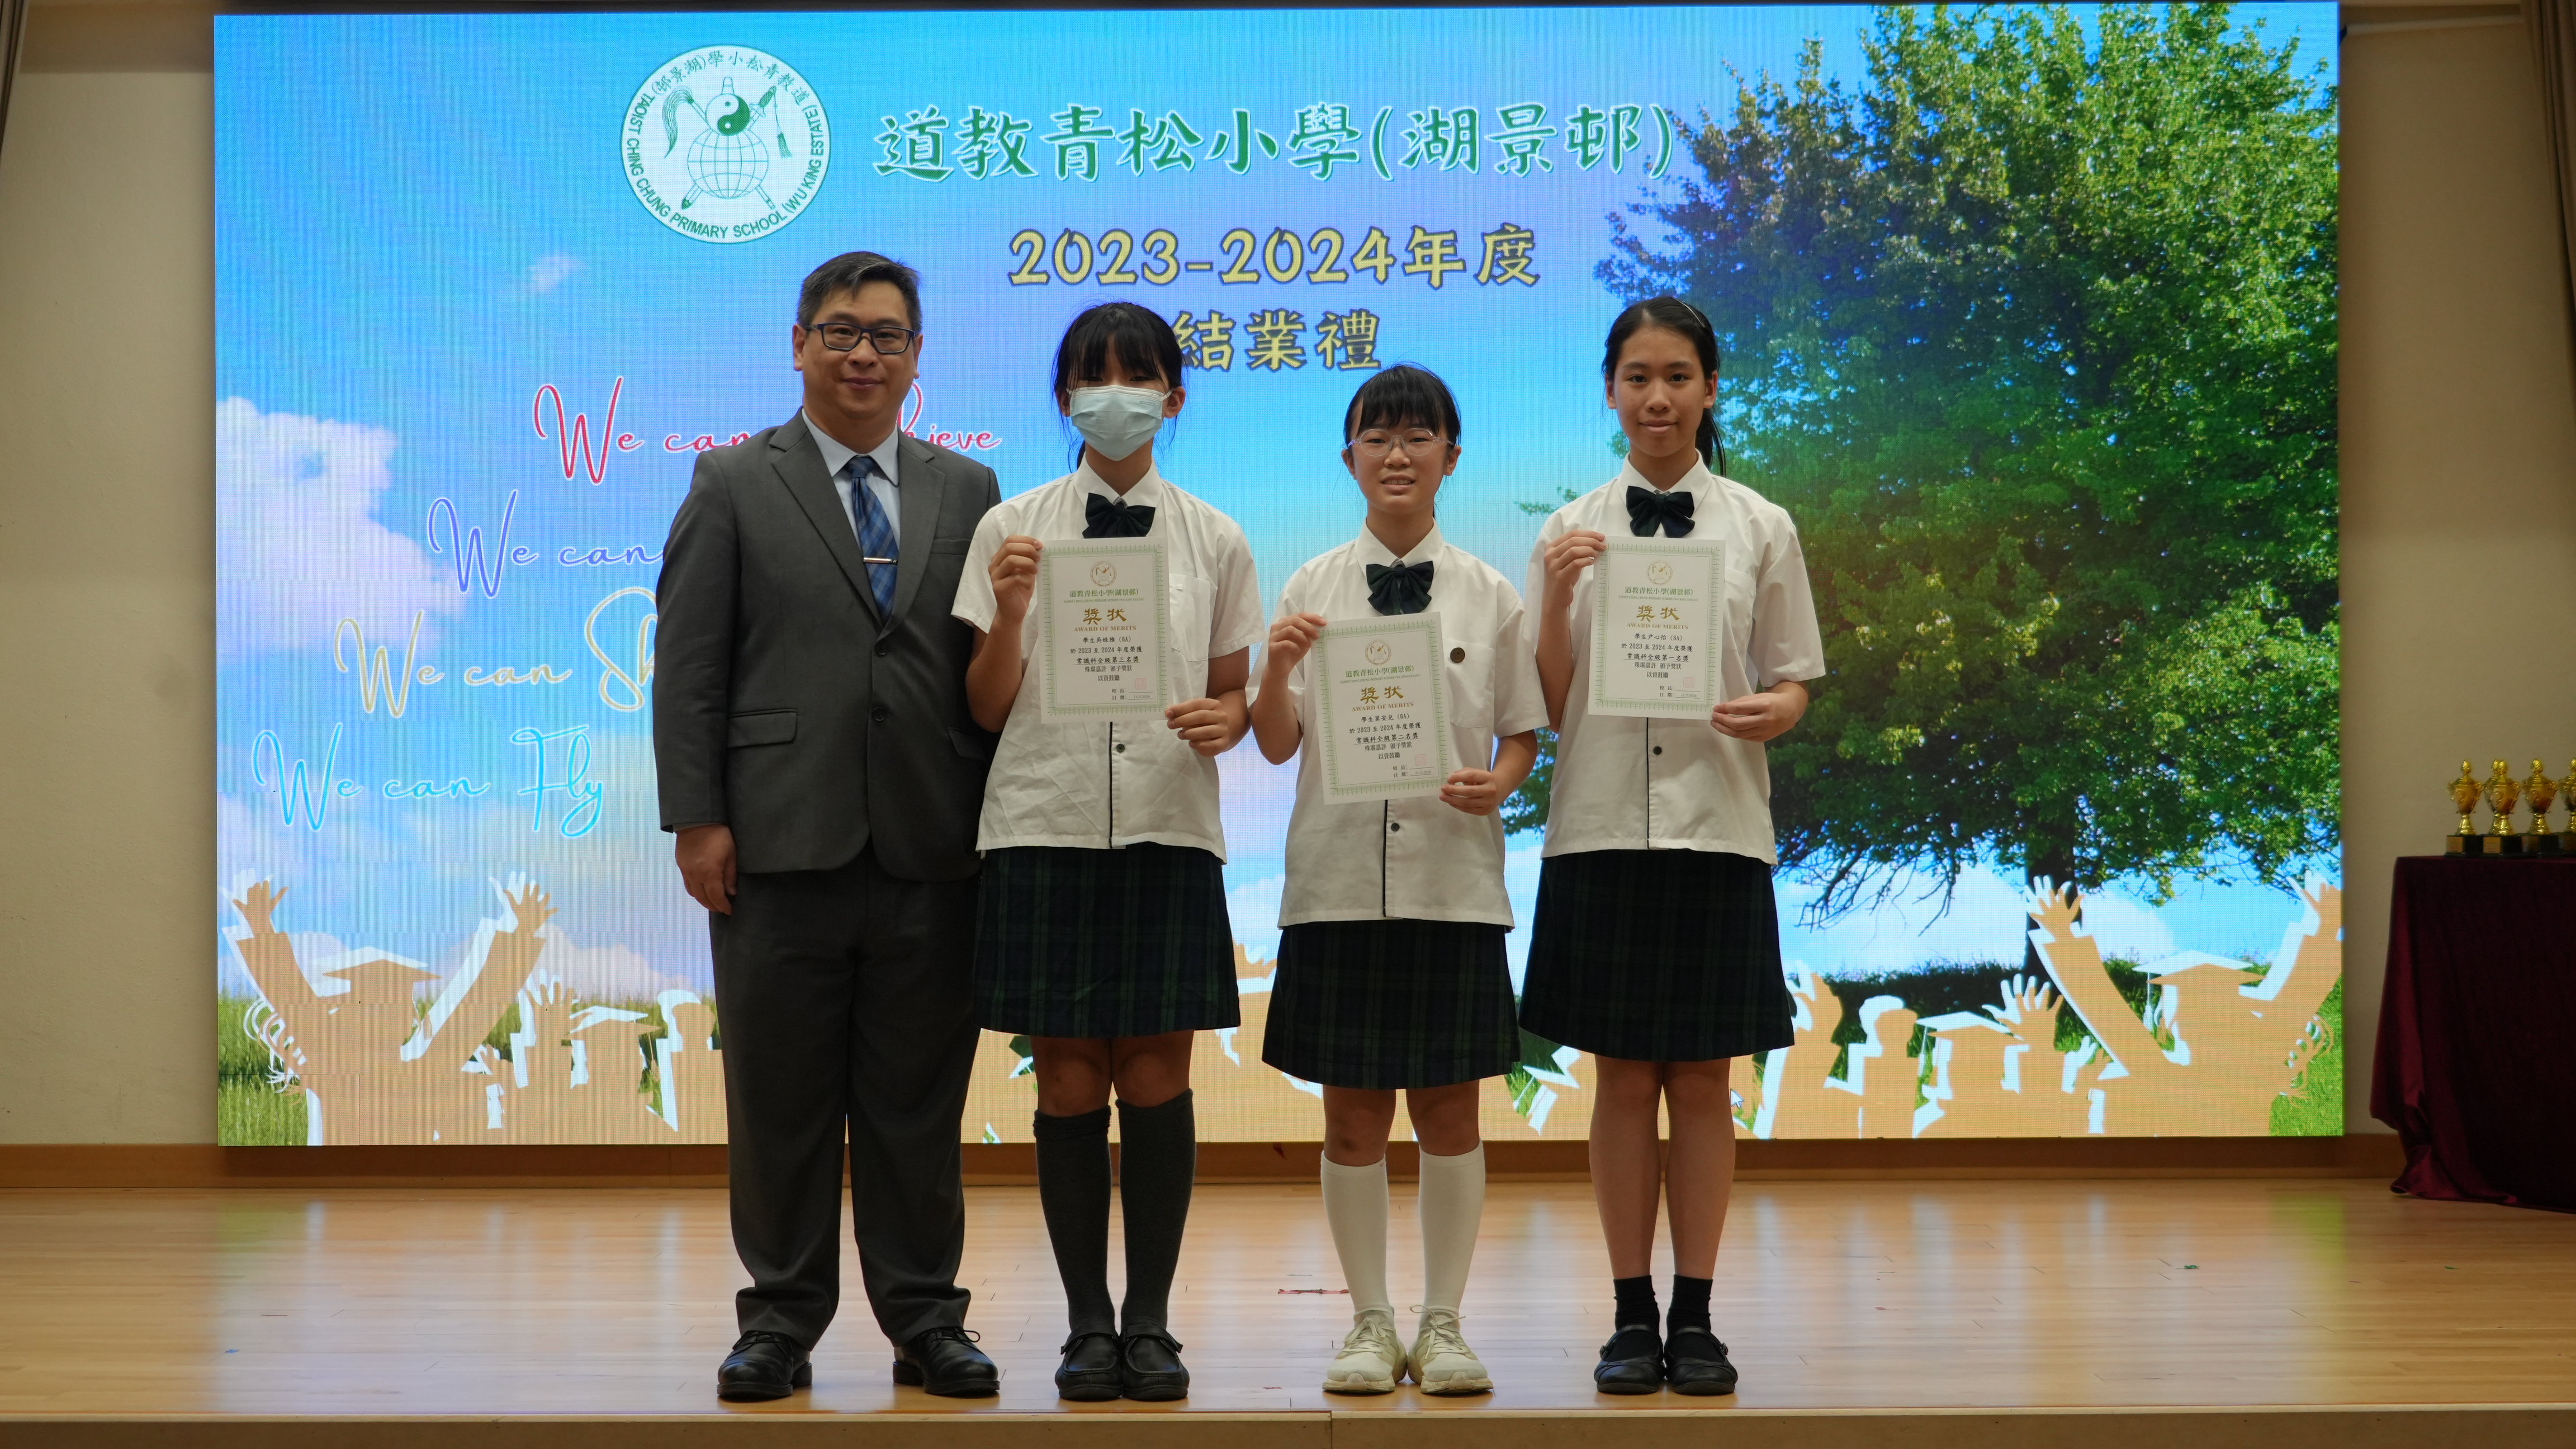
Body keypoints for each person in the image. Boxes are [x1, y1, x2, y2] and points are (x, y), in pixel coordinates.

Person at [653, 250, 1003, 1402]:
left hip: (933, 843)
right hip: (775, 842)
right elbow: (690, 666)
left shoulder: (971, 488)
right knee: (779, 1104)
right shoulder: (729, 480)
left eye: (887, 335)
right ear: (799, 344)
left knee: (919, 1108)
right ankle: (779, 1323)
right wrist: (697, 818)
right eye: (842, 331)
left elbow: (987, 662)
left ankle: (927, 1321)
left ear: (917, 355)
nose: (864, 353)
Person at [950, 300, 1264, 1403]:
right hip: (1045, 821)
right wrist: (1011, 615)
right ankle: (1089, 1324)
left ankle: (1153, 1324)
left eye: (1138, 377)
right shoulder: (1012, 530)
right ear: (1064, 396)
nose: (1114, 395)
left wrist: (1229, 719)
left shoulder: (1217, 537)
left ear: (1173, 398)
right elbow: (985, 708)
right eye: (1094, 376)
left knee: (1159, 1073)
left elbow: (1234, 694)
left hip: (1169, 827)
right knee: (1072, 1074)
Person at [1518, 297, 1826, 1396]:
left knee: (1702, 1079)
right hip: (1601, 825)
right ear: (1611, 390)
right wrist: (1559, 597)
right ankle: (1628, 1314)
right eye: (1639, 377)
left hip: (1716, 827)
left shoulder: (1761, 525)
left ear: (1710, 389)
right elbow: (1552, 702)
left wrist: (1777, 711)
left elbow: (1792, 677)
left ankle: (1695, 1316)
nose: (1658, 397)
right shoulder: (1566, 532)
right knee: (1618, 1077)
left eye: (1678, 377)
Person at [1249, 364, 1545, 1398]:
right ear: (1349, 459)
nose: (1398, 454)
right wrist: (1274, 668)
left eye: (1419, 436)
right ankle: (1370, 1323)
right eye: (1378, 437)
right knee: (1351, 1119)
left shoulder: (1491, 593)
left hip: (1453, 886)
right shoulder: (1310, 587)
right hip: (1335, 886)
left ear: (1452, 457)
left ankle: (1445, 1323)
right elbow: (1275, 743)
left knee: (1452, 1113)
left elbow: (1522, 735)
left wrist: (1497, 783)